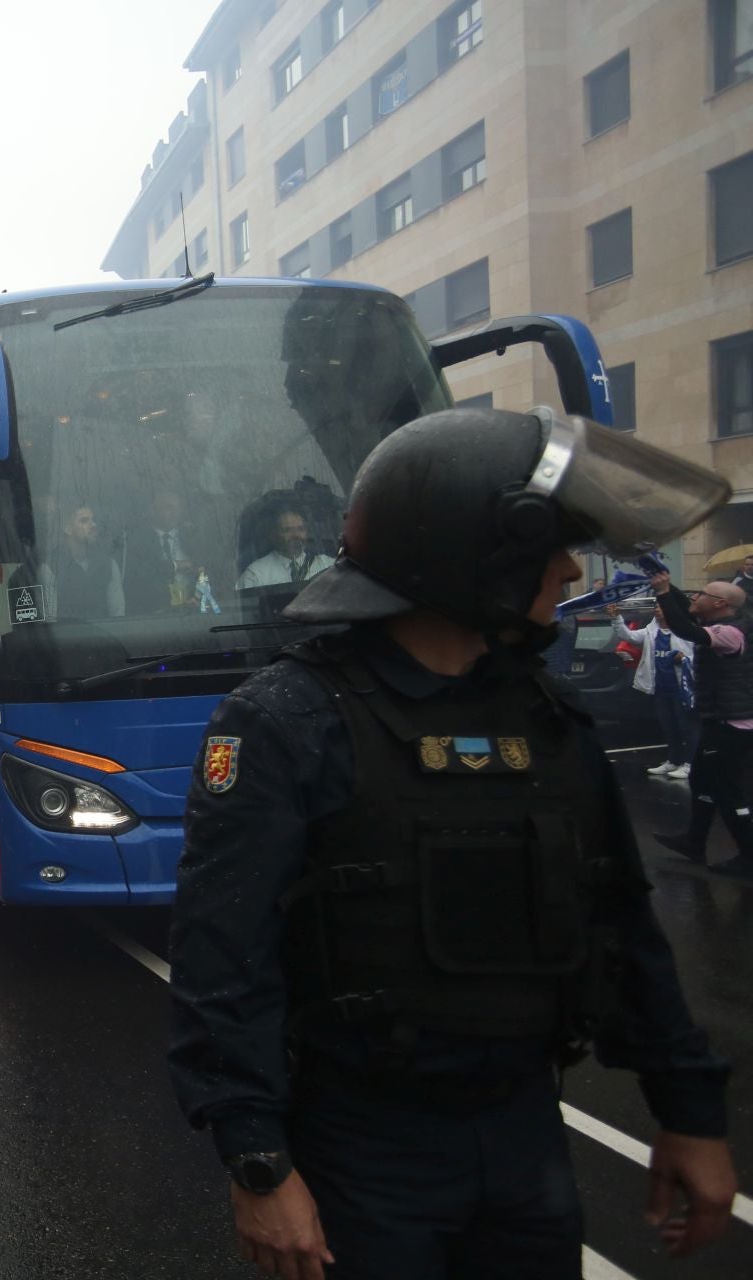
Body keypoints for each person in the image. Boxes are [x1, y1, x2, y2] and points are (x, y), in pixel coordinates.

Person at [169, 406, 737, 1280]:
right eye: (549, 544)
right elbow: (223, 958)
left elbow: (622, 924)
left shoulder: (550, 719)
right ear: (477, 550)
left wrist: (689, 1111)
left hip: (524, 1133)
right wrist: (257, 1162)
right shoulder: (286, 722)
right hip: (364, 1145)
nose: (568, 569)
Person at [651, 578, 753, 876]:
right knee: (702, 781)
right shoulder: (729, 622)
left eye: (703, 594)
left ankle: (749, 854)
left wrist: (663, 593)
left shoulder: (730, 633)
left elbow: (686, 629)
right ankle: (694, 841)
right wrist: (665, 584)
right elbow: (689, 610)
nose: (695, 597)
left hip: (731, 724)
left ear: (721, 604)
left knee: (727, 789)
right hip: (719, 719)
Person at [610, 601, 697, 779]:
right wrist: (616, 617)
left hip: (682, 688)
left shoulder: (687, 631)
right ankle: (673, 760)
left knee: (686, 726)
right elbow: (629, 636)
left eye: (661, 606)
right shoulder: (651, 630)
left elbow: (701, 653)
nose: (657, 609)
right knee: (668, 726)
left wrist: (686, 658)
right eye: (656, 606)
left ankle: (690, 763)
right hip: (660, 687)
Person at [28, 502, 125, 620]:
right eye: (84, 520)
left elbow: (119, 619)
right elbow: (50, 624)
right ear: (67, 528)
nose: (93, 525)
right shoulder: (50, 568)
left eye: (93, 520)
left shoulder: (109, 565)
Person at [236, 508, 333, 590]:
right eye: (287, 530)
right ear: (273, 535)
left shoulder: (328, 566)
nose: (296, 535)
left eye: (301, 529)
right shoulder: (256, 575)